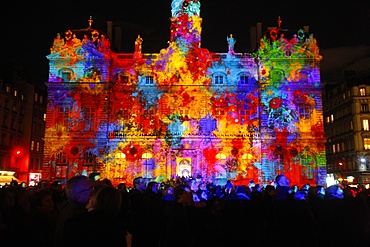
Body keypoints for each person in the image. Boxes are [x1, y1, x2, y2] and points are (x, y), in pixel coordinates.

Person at [60, 185, 126, 246]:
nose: (88, 197)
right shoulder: (117, 227)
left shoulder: (76, 222)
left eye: (92, 195)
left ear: (97, 199)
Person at [54, 175, 92, 247]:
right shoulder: (78, 215)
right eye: (89, 189)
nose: (91, 192)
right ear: (79, 193)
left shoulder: (66, 208)